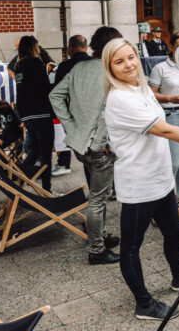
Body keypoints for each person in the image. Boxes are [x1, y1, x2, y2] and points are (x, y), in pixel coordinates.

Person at [102, 38, 179, 321]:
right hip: (139, 184)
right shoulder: (120, 98)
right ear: (110, 67)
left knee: (174, 233)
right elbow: (166, 131)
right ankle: (144, 304)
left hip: (161, 180)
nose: (128, 64)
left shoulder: (139, 88)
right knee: (130, 247)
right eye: (119, 61)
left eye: (131, 57)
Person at [50, 26, 123, 265]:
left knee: (96, 194)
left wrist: (71, 127)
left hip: (81, 144)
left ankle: (100, 235)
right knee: (98, 199)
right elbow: (106, 112)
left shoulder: (79, 67)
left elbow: (55, 96)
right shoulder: (110, 71)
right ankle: (97, 249)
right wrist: (99, 141)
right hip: (97, 146)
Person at [149, 32, 179, 209]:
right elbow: (150, 95)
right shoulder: (160, 68)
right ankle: (163, 205)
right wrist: (170, 99)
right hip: (171, 116)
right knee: (173, 163)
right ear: (170, 47)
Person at [15, 35, 55, 194]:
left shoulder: (19, 65)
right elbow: (44, 87)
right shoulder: (36, 62)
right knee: (46, 154)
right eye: (37, 46)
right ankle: (47, 189)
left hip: (27, 114)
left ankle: (19, 178)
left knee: (34, 151)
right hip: (41, 112)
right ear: (33, 47)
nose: (39, 49)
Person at [51, 35, 92, 177]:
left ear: (71, 48)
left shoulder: (65, 66)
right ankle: (111, 187)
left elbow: (57, 95)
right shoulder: (96, 63)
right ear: (86, 47)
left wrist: (65, 118)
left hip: (76, 115)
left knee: (86, 154)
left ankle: (94, 189)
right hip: (97, 113)